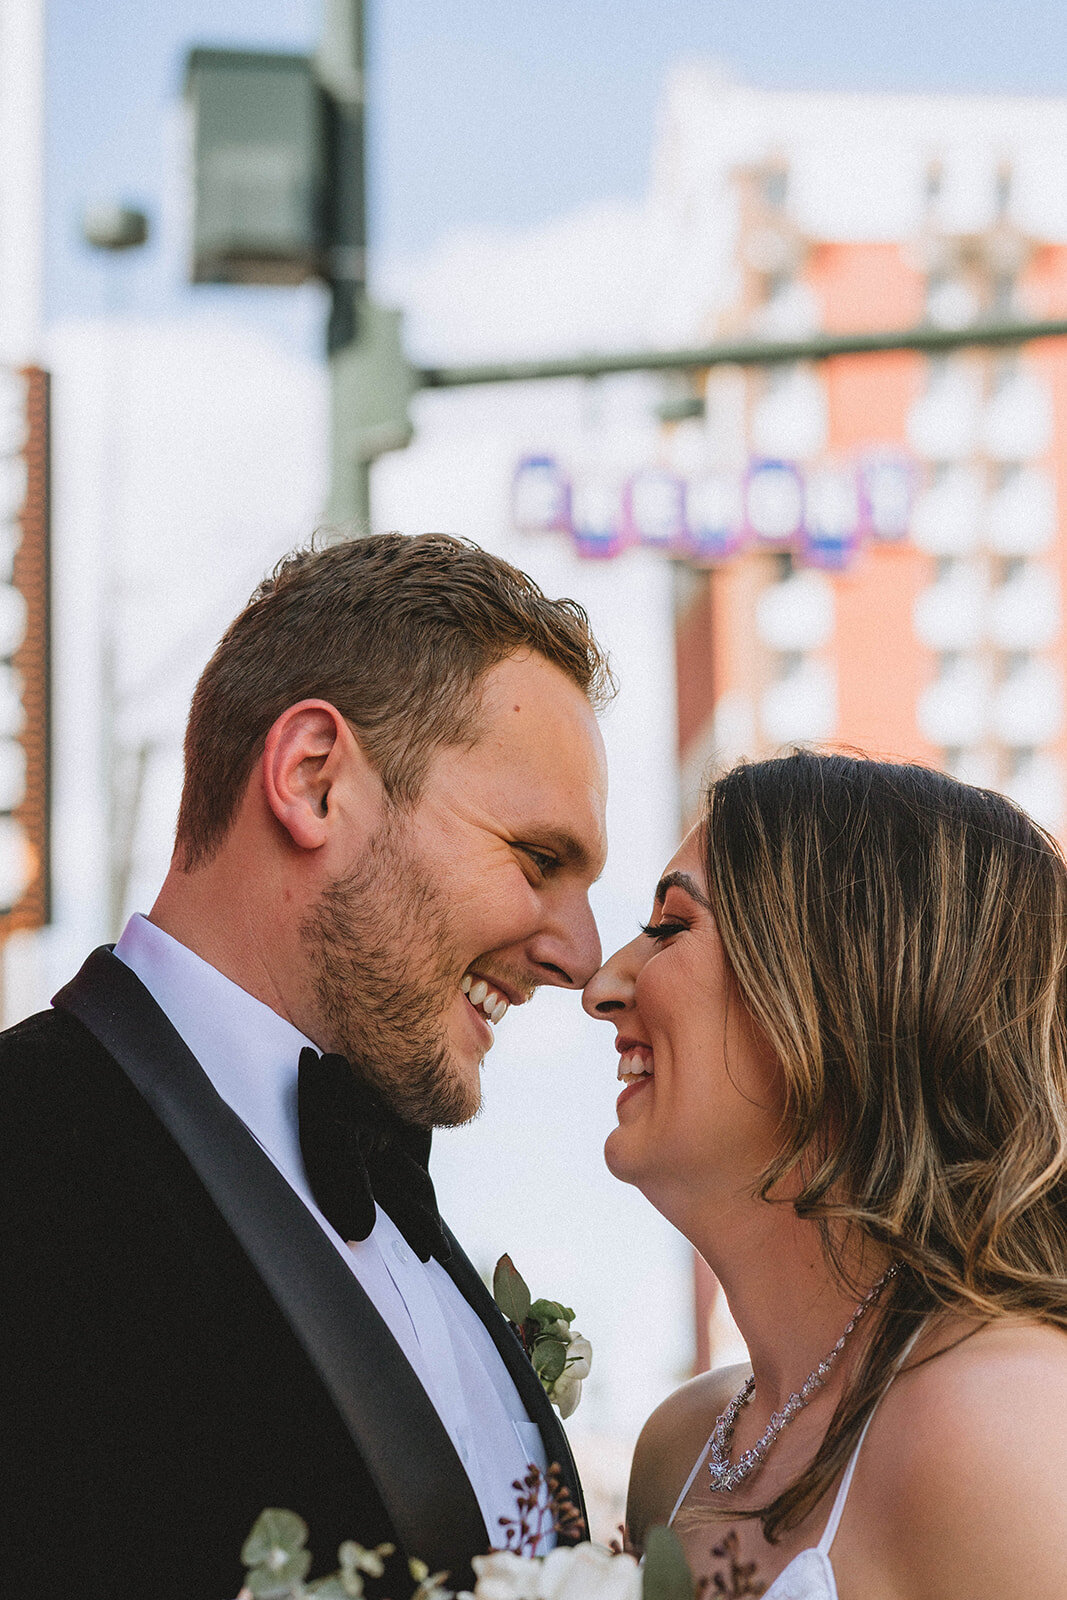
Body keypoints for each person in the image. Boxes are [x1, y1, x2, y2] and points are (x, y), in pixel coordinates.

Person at [1, 532, 611, 1599]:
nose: (581, 952)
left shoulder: (410, 1210)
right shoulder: (26, 1159)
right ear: (313, 779)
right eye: (537, 858)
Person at [584, 750, 1067, 1600]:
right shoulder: (680, 1448)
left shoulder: (1008, 1423)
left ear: (842, 991)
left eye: (669, 928)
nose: (603, 984)